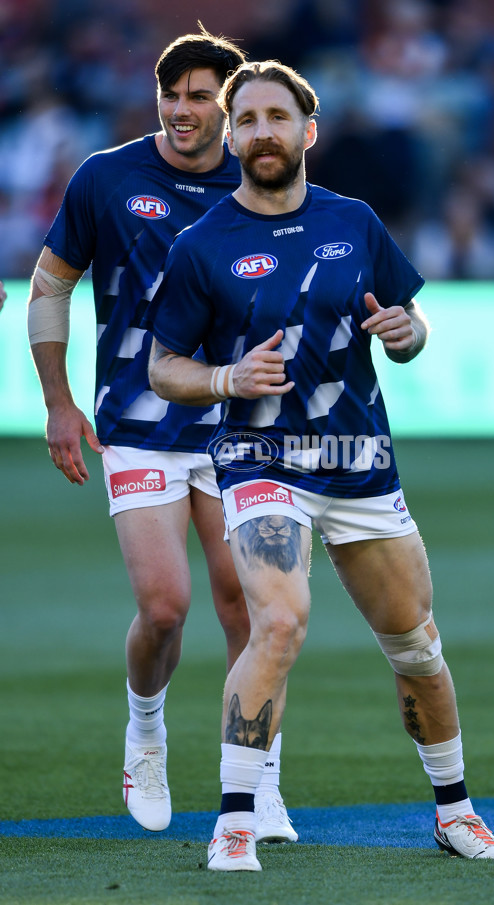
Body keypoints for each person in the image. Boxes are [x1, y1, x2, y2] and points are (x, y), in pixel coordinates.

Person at [147, 59, 494, 871]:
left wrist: (406, 333)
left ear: (307, 131)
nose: (261, 133)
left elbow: (411, 320)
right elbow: (162, 366)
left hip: (358, 460)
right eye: (244, 120)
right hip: (259, 458)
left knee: (417, 645)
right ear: (230, 135)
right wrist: (224, 379)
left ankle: (456, 814)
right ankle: (237, 821)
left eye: (275, 118)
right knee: (278, 622)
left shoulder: (354, 221)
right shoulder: (200, 245)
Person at [26, 28, 297, 843]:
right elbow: (49, 287)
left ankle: (259, 784)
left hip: (235, 427)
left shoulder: (260, 181)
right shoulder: (106, 178)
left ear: (229, 105)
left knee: (250, 611)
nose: (181, 111)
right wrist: (58, 401)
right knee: (167, 607)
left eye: (198, 98)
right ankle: (146, 729)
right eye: (169, 95)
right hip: (137, 425)